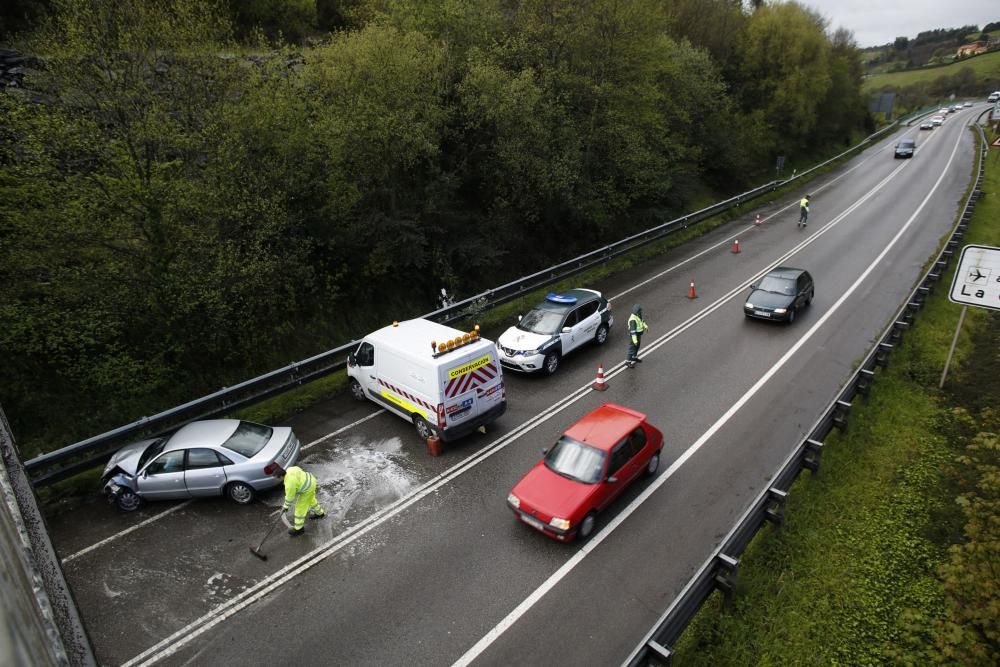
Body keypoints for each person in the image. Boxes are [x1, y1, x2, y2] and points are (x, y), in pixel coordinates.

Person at [273, 465, 326, 537]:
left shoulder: (289, 483)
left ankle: (299, 529)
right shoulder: (290, 469)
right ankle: (320, 513)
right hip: (311, 480)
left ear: (281, 476)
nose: (276, 479)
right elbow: (299, 469)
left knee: (299, 508)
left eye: (276, 478)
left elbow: (289, 498)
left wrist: (285, 507)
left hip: (307, 489)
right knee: (311, 500)